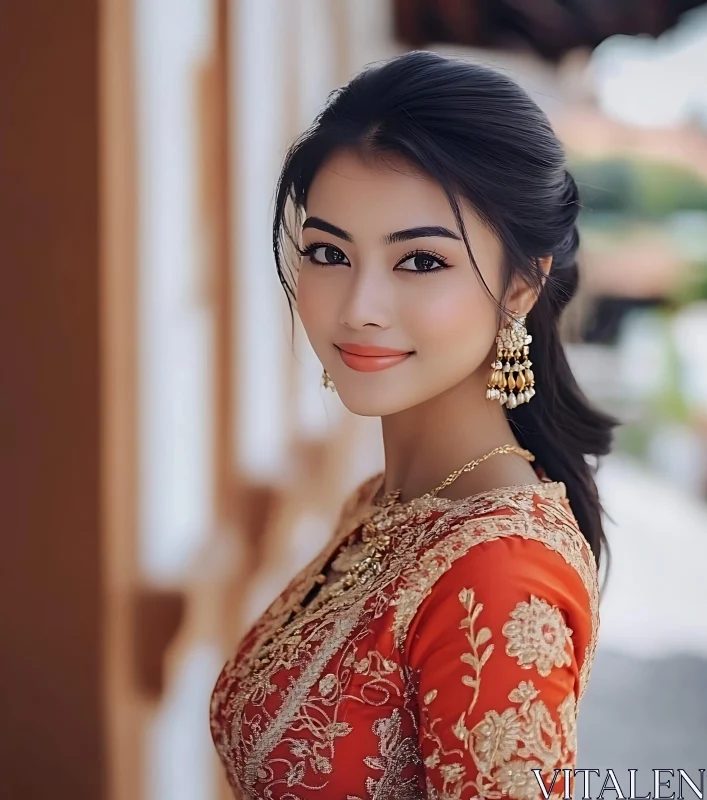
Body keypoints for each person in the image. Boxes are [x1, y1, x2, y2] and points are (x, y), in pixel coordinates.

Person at [210, 50, 617, 799]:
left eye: (420, 262)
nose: (358, 304)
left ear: (522, 286)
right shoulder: (384, 501)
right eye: (329, 252)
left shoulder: (499, 570)